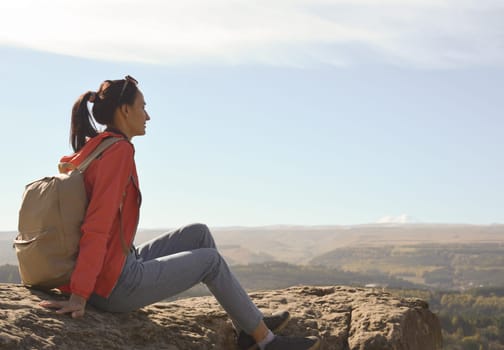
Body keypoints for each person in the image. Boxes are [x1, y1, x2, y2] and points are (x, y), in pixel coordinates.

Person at [40, 76, 320, 350]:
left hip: (114, 266)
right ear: (125, 110)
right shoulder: (119, 151)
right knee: (210, 261)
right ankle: (267, 342)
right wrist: (80, 295)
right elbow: (97, 226)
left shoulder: (98, 146)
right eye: (142, 107)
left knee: (198, 233)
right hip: (113, 287)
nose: (147, 116)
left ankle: (247, 327)